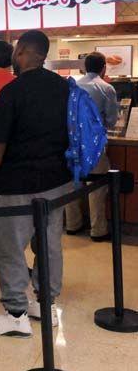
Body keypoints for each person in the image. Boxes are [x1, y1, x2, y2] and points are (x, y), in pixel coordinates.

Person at [0, 30, 72, 337]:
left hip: (15, 183)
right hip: (56, 181)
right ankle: (46, 304)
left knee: (9, 248)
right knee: (48, 244)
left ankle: (16, 312)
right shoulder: (65, 88)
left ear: (21, 53)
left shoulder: (12, 91)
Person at [65, 51, 118, 242]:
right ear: (104, 67)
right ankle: (98, 230)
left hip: (71, 142)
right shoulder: (107, 88)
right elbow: (112, 121)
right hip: (94, 144)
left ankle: (72, 224)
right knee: (96, 187)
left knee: (73, 185)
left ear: (84, 67)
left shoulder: (72, 86)